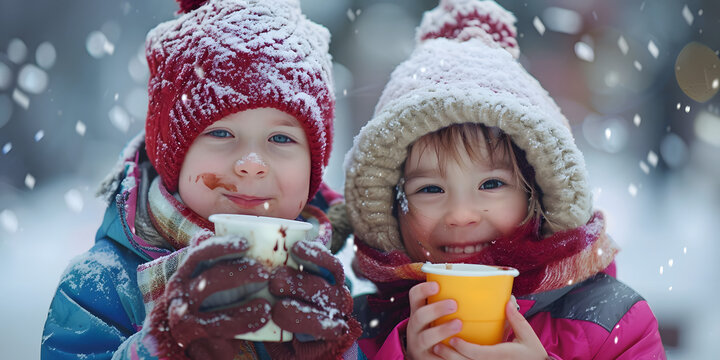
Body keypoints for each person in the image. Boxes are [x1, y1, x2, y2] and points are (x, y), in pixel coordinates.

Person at [341, 0, 666, 359]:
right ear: (391, 208)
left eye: (491, 184)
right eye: (430, 189)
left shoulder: (614, 322)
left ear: (536, 193)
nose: (461, 214)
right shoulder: (354, 333)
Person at [41, 0, 363, 359]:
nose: (252, 164)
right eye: (222, 133)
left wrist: (337, 353)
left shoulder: (321, 285)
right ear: (173, 158)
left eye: (281, 139)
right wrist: (164, 346)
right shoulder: (101, 285)